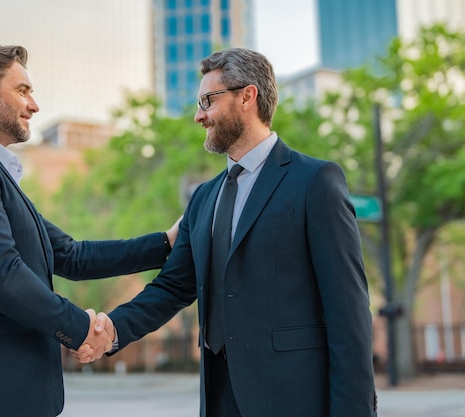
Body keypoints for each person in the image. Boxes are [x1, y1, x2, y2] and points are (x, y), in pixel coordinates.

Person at [78, 48, 378, 416]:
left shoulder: (315, 182)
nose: (198, 115)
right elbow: (173, 287)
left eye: (208, 100)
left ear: (247, 97)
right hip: (219, 398)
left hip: (293, 399)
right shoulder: (203, 198)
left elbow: (348, 310)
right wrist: (112, 329)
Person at [0, 42, 178, 417]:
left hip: (10, 392)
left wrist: (165, 243)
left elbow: (70, 255)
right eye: (22, 90)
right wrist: (81, 327)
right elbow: (0, 276)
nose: (33, 104)